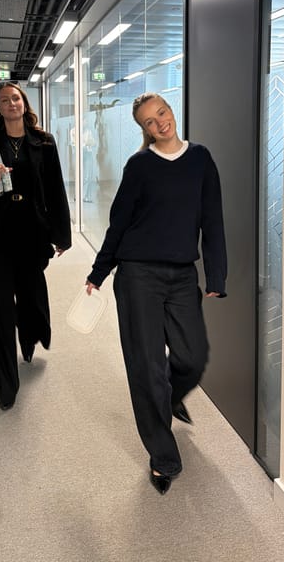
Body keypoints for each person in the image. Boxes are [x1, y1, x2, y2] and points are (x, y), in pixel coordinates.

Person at [86, 92, 227, 494]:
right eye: (150, 121)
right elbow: (119, 222)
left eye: (161, 113)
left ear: (171, 111)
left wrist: (216, 276)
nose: (160, 122)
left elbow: (212, 220)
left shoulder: (200, 159)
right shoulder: (140, 166)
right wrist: (100, 270)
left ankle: (168, 397)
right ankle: (163, 457)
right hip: (137, 274)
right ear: (144, 130)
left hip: (181, 275)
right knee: (146, 368)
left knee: (192, 357)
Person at [0, 83, 71, 411]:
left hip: (32, 234)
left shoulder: (43, 141)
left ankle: (30, 337)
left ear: (24, 103)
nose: (11, 103)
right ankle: (6, 383)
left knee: (30, 300)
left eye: (16, 98)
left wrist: (61, 235)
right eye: (4, 100)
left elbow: (55, 188)